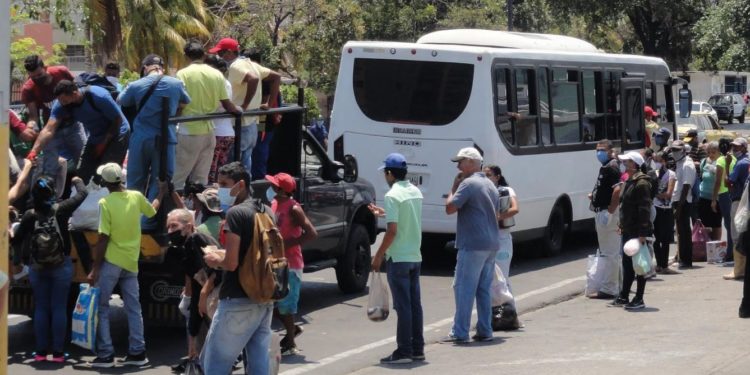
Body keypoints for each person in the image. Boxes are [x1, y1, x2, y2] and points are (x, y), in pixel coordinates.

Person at [87, 163, 166, 368]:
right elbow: (152, 211)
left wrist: (95, 268)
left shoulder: (105, 202)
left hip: (112, 261)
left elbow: (103, 237)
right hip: (131, 262)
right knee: (133, 308)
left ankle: (105, 354)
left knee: (102, 308)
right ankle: (137, 353)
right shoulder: (136, 196)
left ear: (105, 183)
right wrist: (162, 193)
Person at [202, 161, 273, 375]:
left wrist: (215, 258)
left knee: (215, 365)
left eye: (224, 184)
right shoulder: (267, 210)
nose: (220, 189)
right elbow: (252, 253)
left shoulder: (235, 214)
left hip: (237, 298)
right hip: (264, 294)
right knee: (258, 362)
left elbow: (232, 263)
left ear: (240, 185)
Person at [11, 175, 87, 362]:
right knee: (59, 307)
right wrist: (76, 180)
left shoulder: (30, 215)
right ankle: (59, 354)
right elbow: (83, 193)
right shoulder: (61, 210)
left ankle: (40, 353)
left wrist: (16, 261)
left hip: (37, 267)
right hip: (61, 266)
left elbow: (18, 239)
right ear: (53, 192)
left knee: (42, 308)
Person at [118, 54, 190, 230]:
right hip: (166, 137)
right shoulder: (175, 83)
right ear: (162, 68)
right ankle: (147, 222)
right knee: (161, 180)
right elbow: (185, 101)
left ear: (144, 68)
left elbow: (122, 100)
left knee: (135, 180)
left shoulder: (136, 85)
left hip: (141, 138)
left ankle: (132, 219)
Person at [367, 153, 424, 364]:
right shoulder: (415, 192)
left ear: (390, 173)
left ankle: (404, 351)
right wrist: (383, 212)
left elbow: (392, 231)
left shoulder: (392, 196)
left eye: (385, 172)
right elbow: (405, 217)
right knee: (414, 305)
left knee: (403, 306)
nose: (385, 176)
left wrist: (379, 255)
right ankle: (417, 348)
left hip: (398, 257)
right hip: (414, 255)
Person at [442, 147, 500, 343]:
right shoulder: (490, 184)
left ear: (471, 163)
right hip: (491, 243)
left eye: (461, 161)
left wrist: (453, 188)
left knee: (463, 288)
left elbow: (450, 208)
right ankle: (485, 329)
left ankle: (460, 332)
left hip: (473, 243)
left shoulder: (468, 183)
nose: (458, 166)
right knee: (483, 289)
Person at [28, 80, 130, 183]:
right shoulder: (61, 105)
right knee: (81, 176)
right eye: (60, 101)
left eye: (64, 100)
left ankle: (109, 194)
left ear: (74, 93)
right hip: (95, 136)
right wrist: (34, 151)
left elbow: (117, 120)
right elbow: (48, 129)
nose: (62, 104)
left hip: (117, 133)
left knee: (106, 174)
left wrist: (104, 143)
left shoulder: (98, 96)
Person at [174, 41, 241, 189]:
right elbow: (226, 103)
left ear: (186, 56)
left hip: (188, 131)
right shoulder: (216, 74)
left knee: (178, 177)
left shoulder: (182, 74)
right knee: (201, 179)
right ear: (204, 55)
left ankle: (176, 210)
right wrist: (238, 111)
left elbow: (180, 103)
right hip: (209, 131)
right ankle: (200, 210)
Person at [210, 37, 281, 173]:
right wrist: (269, 104)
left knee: (232, 168)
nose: (219, 57)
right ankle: (245, 192)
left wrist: (244, 106)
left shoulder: (236, 66)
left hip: (240, 123)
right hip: (251, 123)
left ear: (230, 52)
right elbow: (276, 77)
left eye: (220, 53)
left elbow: (253, 79)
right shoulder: (250, 63)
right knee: (245, 165)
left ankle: (235, 193)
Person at [266, 172, 318, 356]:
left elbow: (311, 233)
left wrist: (286, 244)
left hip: (291, 264)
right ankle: (292, 331)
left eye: (274, 185)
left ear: (281, 189)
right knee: (271, 303)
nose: (270, 187)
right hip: (276, 261)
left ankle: (290, 342)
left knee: (286, 305)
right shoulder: (274, 204)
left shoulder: (294, 208)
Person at [166, 208, 221, 362]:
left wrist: (204, 293)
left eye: (174, 226)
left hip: (224, 298)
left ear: (189, 226)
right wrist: (192, 338)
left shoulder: (199, 240)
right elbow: (196, 288)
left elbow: (221, 270)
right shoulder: (184, 250)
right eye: (168, 227)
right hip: (208, 303)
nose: (170, 231)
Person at [610, 151, 653, 310]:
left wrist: (642, 234)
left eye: (627, 162)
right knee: (627, 265)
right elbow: (624, 207)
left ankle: (639, 298)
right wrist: (621, 225)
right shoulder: (629, 181)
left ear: (634, 164)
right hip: (628, 229)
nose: (624, 165)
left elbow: (644, 210)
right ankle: (624, 296)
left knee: (639, 265)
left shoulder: (641, 183)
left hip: (637, 231)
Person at [484, 164, 521, 330]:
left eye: (489, 174)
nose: (487, 177)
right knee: (490, 279)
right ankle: (496, 316)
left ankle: (511, 316)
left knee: (503, 278)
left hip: (502, 238)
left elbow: (515, 208)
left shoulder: (506, 190)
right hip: (488, 239)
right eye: (484, 174)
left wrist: (498, 216)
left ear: (497, 176)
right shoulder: (483, 190)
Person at [587, 139, 622, 298]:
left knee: (610, 253)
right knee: (609, 252)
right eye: (597, 150)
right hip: (603, 210)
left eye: (602, 150)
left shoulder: (612, 167)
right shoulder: (606, 167)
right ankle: (616, 284)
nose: (598, 153)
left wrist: (610, 211)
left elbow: (617, 191)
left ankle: (609, 288)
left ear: (609, 151)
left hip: (608, 213)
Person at [21, 55, 74, 139]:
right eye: (33, 77)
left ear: (45, 68)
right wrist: (30, 127)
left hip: (73, 125)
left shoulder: (61, 72)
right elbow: (33, 116)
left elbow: (77, 91)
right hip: (51, 129)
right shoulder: (29, 89)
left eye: (39, 75)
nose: (37, 78)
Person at [204, 55, 236, 184]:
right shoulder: (227, 83)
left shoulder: (217, 83)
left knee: (211, 173)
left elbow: (219, 105)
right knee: (219, 171)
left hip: (217, 133)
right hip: (227, 133)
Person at [671, 140, 696, 269]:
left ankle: (686, 259)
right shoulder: (679, 163)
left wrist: (679, 208)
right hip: (678, 200)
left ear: (683, 150)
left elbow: (686, 187)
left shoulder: (687, 164)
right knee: (681, 231)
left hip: (684, 202)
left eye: (677, 150)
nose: (674, 153)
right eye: (673, 150)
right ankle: (682, 257)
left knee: (685, 231)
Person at [726, 137, 749, 280]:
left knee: (736, 234)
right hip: (745, 201)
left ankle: (738, 270)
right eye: (733, 146)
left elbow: (728, 182)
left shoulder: (740, 163)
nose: (734, 149)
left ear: (744, 148)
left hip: (739, 201)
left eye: (738, 147)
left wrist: (728, 166)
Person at [652, 151, 677, 274]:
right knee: (655, 238)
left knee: (665, 238)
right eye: (655, 160)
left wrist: (656, 194)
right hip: (655, 209)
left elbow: (668, 194)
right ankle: (659, 264)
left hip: (666, 210)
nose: (657, 163)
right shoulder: (652, 174)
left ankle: (664, 265)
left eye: (659, 160)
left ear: (665, 162)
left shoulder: (671, 174)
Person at [717, 138, 736, 262]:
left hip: (724, 194)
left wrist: (713, 198)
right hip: (731, 192)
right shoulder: (734, 159)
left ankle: (730, 253)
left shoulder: (720, 160)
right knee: (731, 224)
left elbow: (718, 181)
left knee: (728, 225)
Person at [700, 141, 724, 241]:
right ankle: (707, 247)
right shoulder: (704, 162)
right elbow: (702, 176)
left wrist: (714, 200)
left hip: (716, 198)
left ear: (719, 152)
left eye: (713, 152)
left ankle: (716, 247)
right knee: (704, 223)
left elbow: (719, 181)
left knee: (716, 223)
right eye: (709, 152)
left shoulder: (721, 162)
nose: (711, 155)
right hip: (703, 197)